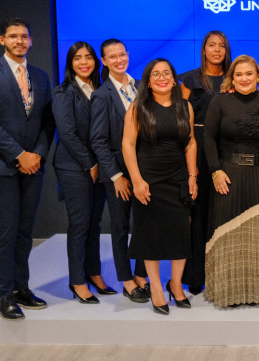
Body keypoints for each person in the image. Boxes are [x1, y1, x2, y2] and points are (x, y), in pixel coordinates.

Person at [0, 18, 55, 320]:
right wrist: (19, 154)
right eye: (13, 36)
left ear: (31, 41)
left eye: (24, 36)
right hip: (1, 166)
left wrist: (38, 156)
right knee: (5, 233)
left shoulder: (41, 77)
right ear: (1, 39)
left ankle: (21, 288)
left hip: (34, 166)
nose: (20, 41)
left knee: (24, 232)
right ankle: (2, 296)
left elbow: (47, 122)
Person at [203, 55, 259, 307]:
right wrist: (215, 171)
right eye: (238, 74)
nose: (244, 79)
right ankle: (228, 292)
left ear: (258, 77)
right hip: (227, 175)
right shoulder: (219, 102)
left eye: (249, 74)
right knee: (227, 235)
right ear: (232, 77)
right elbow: (208, 138)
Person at [123, 59, 198, 315]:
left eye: (167, 73)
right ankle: (155, 287)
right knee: (150, 235)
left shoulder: (185, 106)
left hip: (177, 178)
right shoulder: (137, 108)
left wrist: (192, 176)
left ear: (174, 79)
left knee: (180, 234)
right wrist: (136, 180)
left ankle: (175, 284)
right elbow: (128, 145)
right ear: (148, 80)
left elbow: (190, 143)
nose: (162, 77)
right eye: (156, 74)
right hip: (148, 180)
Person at [90, 39, 149, 303]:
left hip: (145, 169)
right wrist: (116, 176)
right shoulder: (101, 95)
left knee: (145, 225)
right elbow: (98, 141)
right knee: (121, 226)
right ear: (104, 61)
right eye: (112, 57)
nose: (118, 60)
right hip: (118, 174)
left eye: (122, 54)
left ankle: (142, 276)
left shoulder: (141, 87)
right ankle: (126, 280)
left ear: (128, 55)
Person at [51, 41, 110, 304]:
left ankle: (94, 273)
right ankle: (77, 281)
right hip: (74, 166)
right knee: (79, 224)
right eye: (78, 58)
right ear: (70, 63)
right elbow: (67, 134)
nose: (84, 62)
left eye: (88, 57)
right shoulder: (64, 92)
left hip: (100, 165)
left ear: (96, 61)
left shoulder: (101, 89)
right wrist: (90, 163)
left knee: (94, 223)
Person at [180, 30, 232, 295]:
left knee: (221, 213)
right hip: (196, 147)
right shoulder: (189, 79)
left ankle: (220, 272)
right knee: (197, 212)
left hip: (227, 148)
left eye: (221, 46)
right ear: (203, 49)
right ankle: (194, 274)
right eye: (211, 45)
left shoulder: (234, 77)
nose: (216, 50)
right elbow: (177, 116)